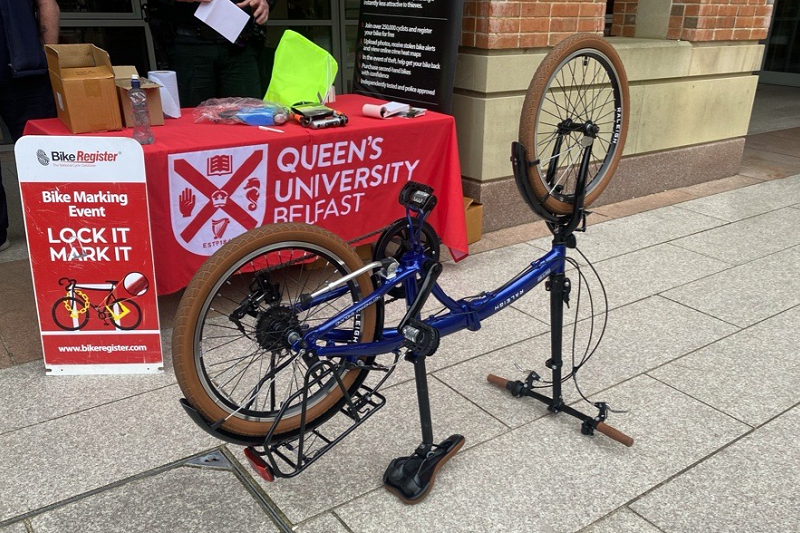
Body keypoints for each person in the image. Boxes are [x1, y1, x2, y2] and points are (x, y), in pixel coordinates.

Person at [0, 0, 59, 252]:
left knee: (42, 153)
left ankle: (58, 222)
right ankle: (57, 225)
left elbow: (47, 4)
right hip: (26, 67)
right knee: (40, 153)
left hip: (25, 70)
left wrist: (49, 59)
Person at [147, 0, 275, 108]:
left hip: (240, 42)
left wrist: (266, 2)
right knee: (193, 118)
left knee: (248, 113)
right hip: (188, 42)